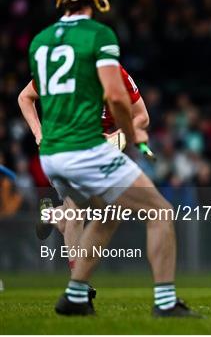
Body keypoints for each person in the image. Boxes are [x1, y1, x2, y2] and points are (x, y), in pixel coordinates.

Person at [26, 0, 198, 317]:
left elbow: (38, 96)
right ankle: (166, 303)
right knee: (160, 212)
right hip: (86, 149)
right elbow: (118, 99)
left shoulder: (40, 42)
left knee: (107, 213)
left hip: (52, 154)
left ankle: (75, 295)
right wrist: (133, 135)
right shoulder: (99, 36)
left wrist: (43, 134)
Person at [18, 65, 151, 275]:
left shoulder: (119, 75)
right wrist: (38, 133)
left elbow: (142, 116)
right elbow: (25, 97)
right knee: (77, 211)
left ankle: (51, 215)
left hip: (95, 153)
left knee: (71, 217)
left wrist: (120, 136)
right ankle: (78, 283)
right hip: (61, 147)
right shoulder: (62, 68)